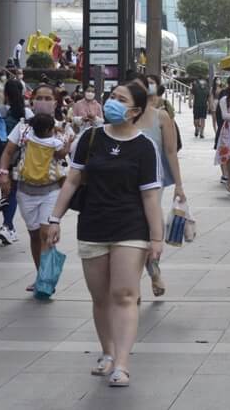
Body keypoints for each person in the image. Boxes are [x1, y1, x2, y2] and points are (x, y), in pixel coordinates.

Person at [46, 81, 163, 388]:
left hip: (130, 227)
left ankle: (122, 363)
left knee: (124, 294)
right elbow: (72, 181)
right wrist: (54, 219)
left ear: (135, 111)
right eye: (112, 96)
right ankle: (107, 352)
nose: (112, 102)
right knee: (100, 297)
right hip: (93, 225)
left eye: (120, 99)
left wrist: (157, 238)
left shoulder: (144, 146)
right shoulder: (91, 137)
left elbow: (151, 196)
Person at [0, 84, 70, 289]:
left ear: (56, 102)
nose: (44, 102)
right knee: (34, 234)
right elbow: (8, 152)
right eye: (40, 97)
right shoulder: (22, 128)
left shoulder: (61, 128)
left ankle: (47, 281)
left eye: (49, 98)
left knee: (46, 233)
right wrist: (3, 173)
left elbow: (65, 155)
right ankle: (41, 275)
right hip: (25, 191)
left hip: (52, 190)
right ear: (32, 100)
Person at [135, 75, 185, 296]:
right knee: (132, 231)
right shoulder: (124, 116)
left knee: (148, 226)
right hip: (125, 182)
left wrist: (179, 186)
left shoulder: (162, 117)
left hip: (153, 183)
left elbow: (171, 152)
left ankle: (153, 268)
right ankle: (133, 281)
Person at [0, 79, 33, 246]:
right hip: (19, 156)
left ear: (6, 94)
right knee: (13, 192)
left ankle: (8, 227)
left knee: (5, 191)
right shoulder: (27, 113)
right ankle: (7, 226)